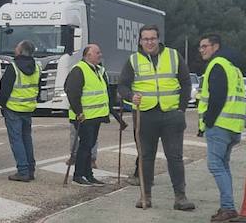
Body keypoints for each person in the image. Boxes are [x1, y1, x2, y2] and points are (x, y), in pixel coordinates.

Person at [118, 24, 194, 210]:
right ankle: (146, 196)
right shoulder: (133, 60)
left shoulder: (174, 55)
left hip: (171, 115)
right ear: (140, 41)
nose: (149, 42)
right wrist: (130, 96)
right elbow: (122, 86)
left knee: (175, 157)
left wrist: (181, 109)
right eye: (146, 39)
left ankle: (180, 197)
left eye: (153, 38)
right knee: (145, 157)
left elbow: (185, 83)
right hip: (145, 116)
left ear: (158, 39)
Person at [198, 34, 246, 223]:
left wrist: (208, 122)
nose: (201, 50)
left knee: (215, 165)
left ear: (215, 46)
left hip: (220, 125)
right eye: (200, 47)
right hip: (233, 126)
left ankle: (228, 208)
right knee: (223, 166)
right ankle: (227, 205)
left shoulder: (217, 64)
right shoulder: (233, 67)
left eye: (205, 46)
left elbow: (217, 97)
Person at [64, 44, 123, 186]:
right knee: (85, 146)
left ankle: (88, 174)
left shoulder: (99, 70)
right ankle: (78, 175)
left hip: (95, 116)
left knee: (89, 146)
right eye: (97, 52)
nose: (100, 54)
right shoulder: (79, 70)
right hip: (84, 116)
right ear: (87, 55)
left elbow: (105, 94)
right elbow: (72, 92)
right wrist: (79, 112)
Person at [0, 40, 39, 182]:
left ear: (20, 51)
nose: (14, 49)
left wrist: (2, 105)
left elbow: (4, 89)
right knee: (27, 138)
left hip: (13, 109)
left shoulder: (13, 68)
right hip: (28, 108)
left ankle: (22, 171)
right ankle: (30, 169)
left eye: (16, 47)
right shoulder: (37, 67)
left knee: (17, 140)